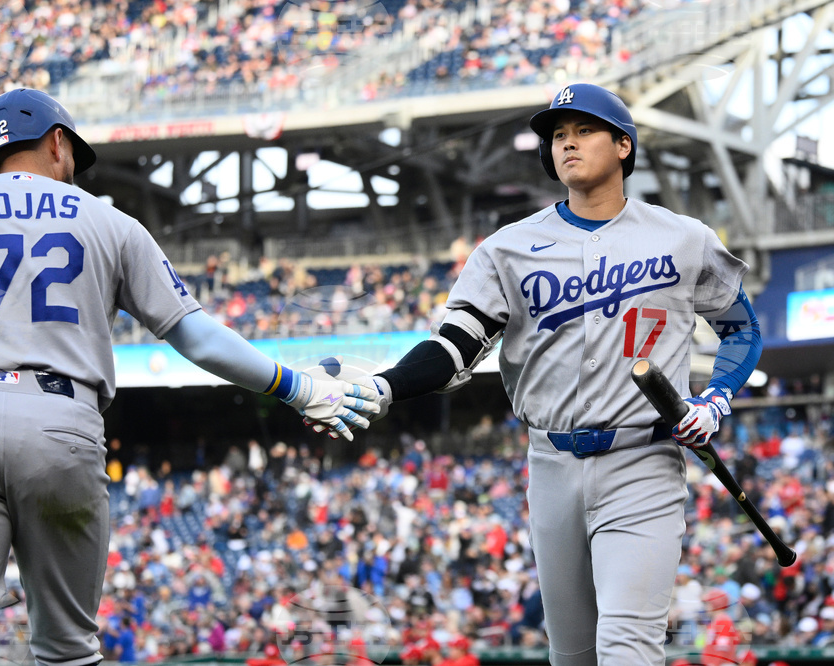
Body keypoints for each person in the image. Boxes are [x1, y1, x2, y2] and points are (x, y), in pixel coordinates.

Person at [0, 88, 380, 666]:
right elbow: (195, 337)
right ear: (57, 142)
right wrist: (294, 387)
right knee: (68, 650)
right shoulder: (110, 221)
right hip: (62, 426)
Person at [310, 83, 761, 665]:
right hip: (550, 464)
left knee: (628, 646)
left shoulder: (683, 237)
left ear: (624, 145)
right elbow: (454, 349)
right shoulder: (507, 249)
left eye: (583, 131)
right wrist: (384, 385)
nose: (566, 143)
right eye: (557, 136)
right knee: (571, 654)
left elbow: (741, 328)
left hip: (642, 460)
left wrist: (717, 399)